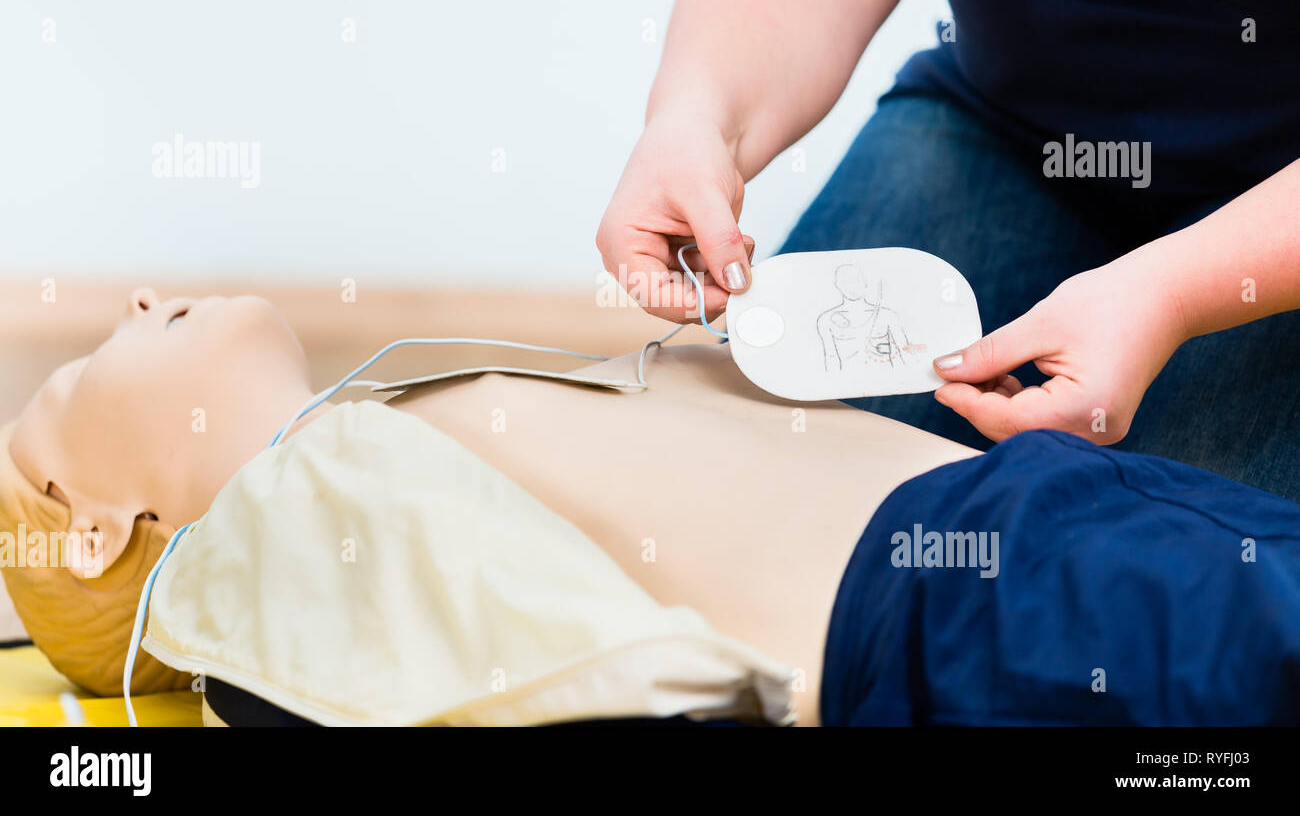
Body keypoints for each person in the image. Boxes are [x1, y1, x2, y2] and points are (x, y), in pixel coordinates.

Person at [4, 288, 1300, 725]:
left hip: (1041, 514)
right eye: (76, 378)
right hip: (967, 615)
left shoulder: (356, 434)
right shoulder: (277, 556)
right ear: (95, 520)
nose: (130, 307)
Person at [595, 0, 1300, 498]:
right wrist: (699, 113)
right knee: (744, 490)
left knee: (1160, 574)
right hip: (1009, 125)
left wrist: (1172, 292)